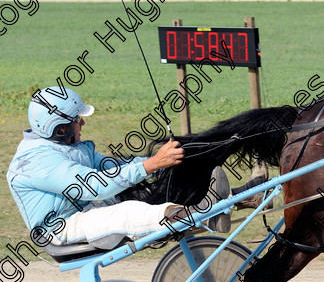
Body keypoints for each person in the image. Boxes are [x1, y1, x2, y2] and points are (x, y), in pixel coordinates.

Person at [7, 87, 230, 246]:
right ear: (61, 128)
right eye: (78, 119)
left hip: (88, 208)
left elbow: (115, 168)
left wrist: (166, 164)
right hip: (61, 228)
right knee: (128, 212)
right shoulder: (38, 162)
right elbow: (96, 186)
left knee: (149, 191)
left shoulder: (68, 148)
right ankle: (202, 214)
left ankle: (231, 198)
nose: (82, 123)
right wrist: (152, 164)